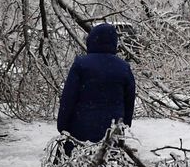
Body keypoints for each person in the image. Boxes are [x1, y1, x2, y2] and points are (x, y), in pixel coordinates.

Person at [56, 23, 136, 151]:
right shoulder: (123, 67)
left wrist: (63, 126)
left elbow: (68, 98)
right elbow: (129, 99)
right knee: (108, 164)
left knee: (76, 165)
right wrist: (125, 124)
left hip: (80, 127)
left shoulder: (81, 65)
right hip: (112, 129)